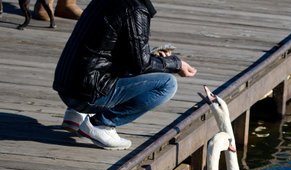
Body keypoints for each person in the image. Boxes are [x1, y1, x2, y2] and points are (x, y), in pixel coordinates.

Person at [53, 0, 197, 150]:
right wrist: (176, 64)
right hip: (86, 94)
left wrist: (155, 58)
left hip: (67, 86)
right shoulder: (136, 8)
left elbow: (114, 50)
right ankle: (101, 125)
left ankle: (75, 114)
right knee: (167, 84)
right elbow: (140, 65)